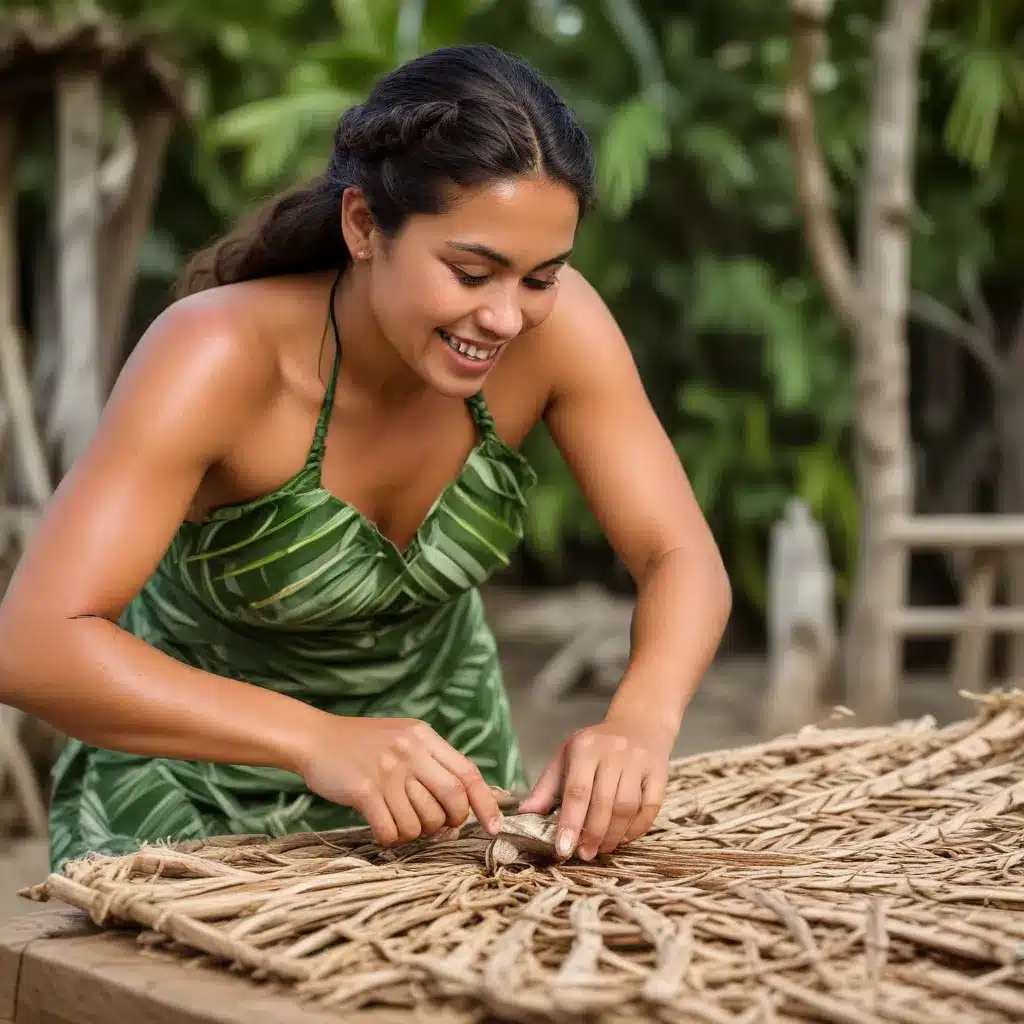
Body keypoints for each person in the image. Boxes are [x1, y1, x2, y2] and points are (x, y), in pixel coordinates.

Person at [0, 44, 731, 872]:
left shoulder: (555, 334)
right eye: (471, 271)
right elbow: (33, 644)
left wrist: (639, 720)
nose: (504, 317)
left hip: (446, 794)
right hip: (187, 790)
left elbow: (680, 556)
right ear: (361, 226)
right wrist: (315, 739)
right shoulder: (216, 354)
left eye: (541, 276)